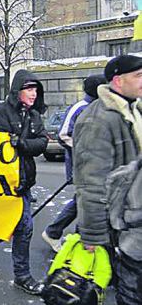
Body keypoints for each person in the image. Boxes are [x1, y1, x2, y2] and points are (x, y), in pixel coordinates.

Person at [0, 69, 48, 295]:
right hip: (5, 183)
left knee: (16, 226)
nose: (33, 94)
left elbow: (42, 142)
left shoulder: (34, 116)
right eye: (29, 89)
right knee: (22, 227)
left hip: (24, 181)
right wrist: (15, 144)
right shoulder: (0, 114)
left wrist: (22, 144)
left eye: (35, 89)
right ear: (17, 90)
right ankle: (22, 275)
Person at [73, 54, 142, 304]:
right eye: (138, 76)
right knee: (131, 292)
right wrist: (92, 236)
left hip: (136, 218)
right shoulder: (98, 120)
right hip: (123, 226)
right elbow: (90, 183)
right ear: (118, 81)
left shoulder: (134, 108)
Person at [42, 74, 106, 252]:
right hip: (82, 166)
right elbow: (63, 135)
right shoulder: (80, 107)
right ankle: (56, 233)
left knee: (86, 201)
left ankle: (75, 235)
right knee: (83, 201)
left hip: (96, 167)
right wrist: (85, 150)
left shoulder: (101, 106)